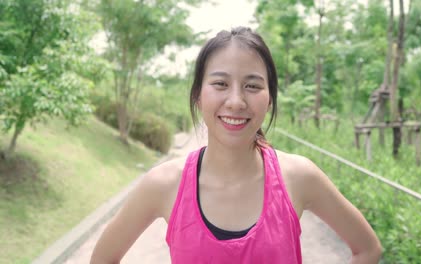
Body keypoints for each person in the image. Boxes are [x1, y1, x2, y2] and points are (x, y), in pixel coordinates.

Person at [91, 27, 382, 263]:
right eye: (220, 84)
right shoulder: (165, 184)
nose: (236, 101)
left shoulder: (299, 177)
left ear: (269, 98)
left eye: (252, 86)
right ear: (198, 95)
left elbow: (368, 249)